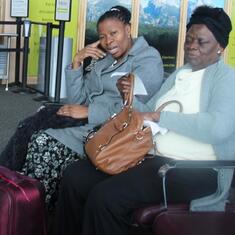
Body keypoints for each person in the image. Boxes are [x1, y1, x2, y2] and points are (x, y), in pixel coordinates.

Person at [53, 5, 235, 235]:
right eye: (188, 39)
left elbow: (218, 128)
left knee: (106, 198)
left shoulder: (227, 78)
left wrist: (162, 117)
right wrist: (128, 95)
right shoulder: (181, 74)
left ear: (220, 46)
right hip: (152, 156)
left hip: (194, 169)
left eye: (201, 42)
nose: (191, 46)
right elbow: (146, 111)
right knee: (75, 177)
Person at [12, 5, 163, 209]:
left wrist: (89, 112)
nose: (108, 41)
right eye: (102, 36)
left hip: (112, 132)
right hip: (86, 121)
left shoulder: (148, 59)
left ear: (128, 29)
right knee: (28, 127)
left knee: (43, 139)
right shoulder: (104, 61)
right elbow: (78, 100)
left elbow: (135, 109)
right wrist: (76, 63)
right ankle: (16, 196)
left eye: (113, 33)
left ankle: (33, 210)